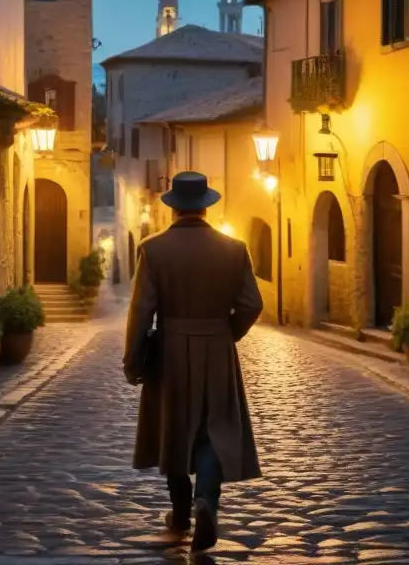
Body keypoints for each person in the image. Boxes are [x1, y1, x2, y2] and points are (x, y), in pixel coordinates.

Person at [122, 170, 264, 552]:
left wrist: (133, 360)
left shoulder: (153, 249)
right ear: (206, 207)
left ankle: (181, 512)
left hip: (169, 348)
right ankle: (207, 501)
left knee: (174, 429)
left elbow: (141, 312)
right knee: (212, 429)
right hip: (217, 346)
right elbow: (252, 304)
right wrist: (225, 332)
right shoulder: (234, 249)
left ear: (172, 208)